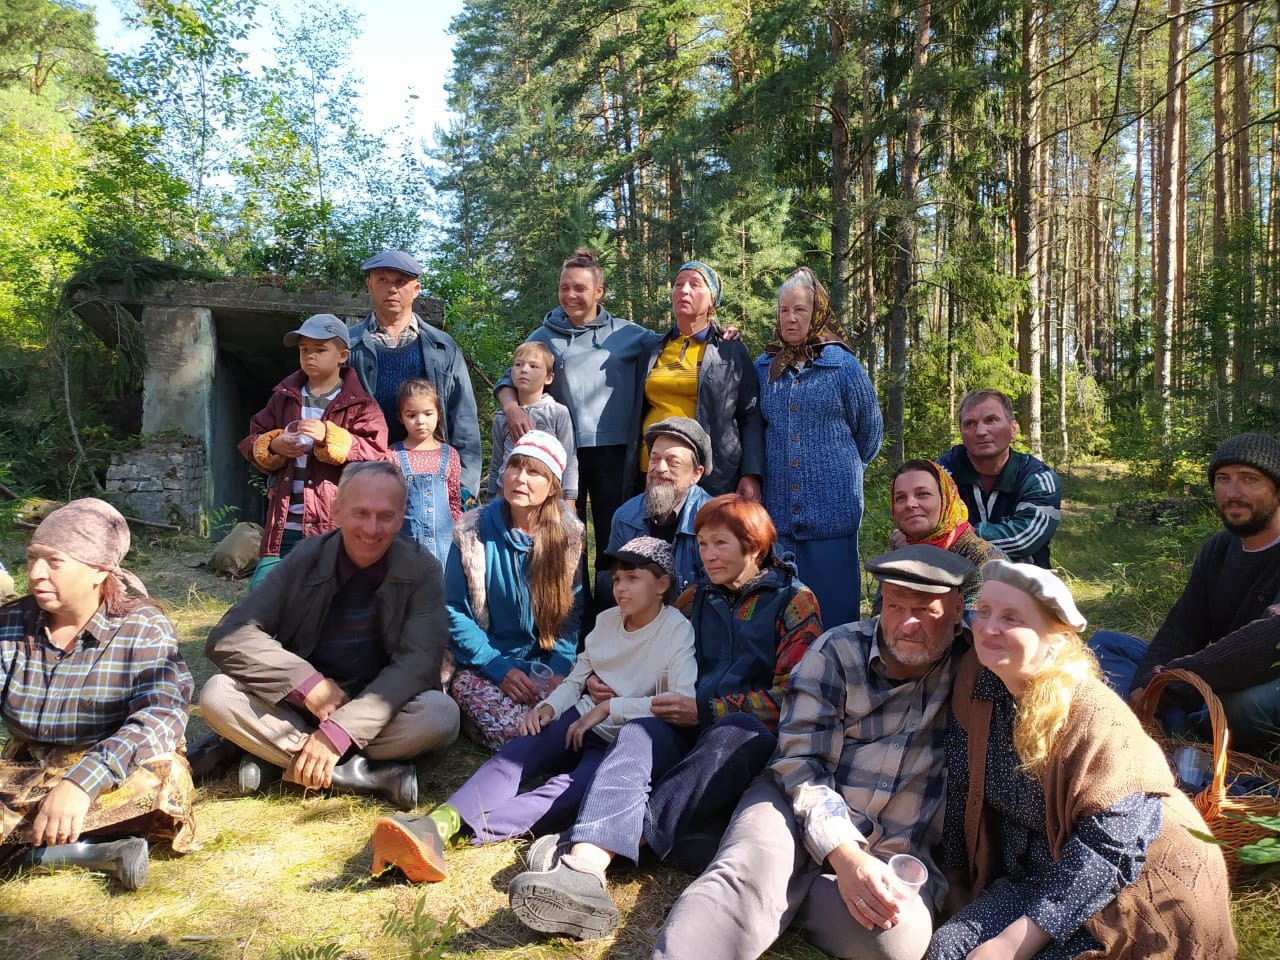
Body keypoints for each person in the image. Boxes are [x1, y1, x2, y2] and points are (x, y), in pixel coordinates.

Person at [508, 494, 823, 941]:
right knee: (637, 733)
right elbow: (649, 649)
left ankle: (605, 842)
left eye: (721, 544)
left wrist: (709, 709)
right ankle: (585, 869)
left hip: (748, 741)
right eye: (704, 544)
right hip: (682, 724)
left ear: (753, 547)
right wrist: (605, 683)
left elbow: (793, 697)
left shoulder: (795, 601)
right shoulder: (693, 597)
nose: (708, 555)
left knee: (735, 731)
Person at [650, 545, 976, 960]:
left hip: (895, 844)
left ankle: (770, 882)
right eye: (895, 606)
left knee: (898, 941)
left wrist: (861, 868)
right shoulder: (838, 652)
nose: (907, 624)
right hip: (796, 804)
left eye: (925, 610)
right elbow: (802, 763)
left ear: (956, 610)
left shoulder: (975, 661)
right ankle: (747, 878)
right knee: (742, 877)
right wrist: (845, 856)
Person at [929, 560, 1236, 960]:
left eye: (1012, 617)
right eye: (983, 611)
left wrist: (1013, 943)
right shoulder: (980, 685)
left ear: (1054, 640)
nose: (988, 627)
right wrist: (955, 879)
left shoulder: (1093, 714)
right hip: (1041, 872)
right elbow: (961, 782)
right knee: (946, 949)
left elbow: (1110, 849)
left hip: (1132, 884)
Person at [369, 537, 695, 883]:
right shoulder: (607, 621)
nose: (621, 589)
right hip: (578, 718)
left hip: (620, 740)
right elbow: (576, 678)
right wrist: (548, 708)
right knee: (517, 754)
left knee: (569, 791)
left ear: (661, 584)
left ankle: (459, 833)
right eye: (616, 579)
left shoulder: (676, 631)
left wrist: (612, 708)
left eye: (633, 579)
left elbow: (678, 701)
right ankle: (436, 822)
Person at [200, 462, 460, 812]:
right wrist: (308, 685)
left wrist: (338, 733)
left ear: (401, 518)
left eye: (385, 516)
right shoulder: (305, 558)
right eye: (360, 513)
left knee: (442, 716)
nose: (371, 528)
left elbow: (415, 666)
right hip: (299, 706)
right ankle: (359, 775)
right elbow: (229, 635)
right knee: (217, 694)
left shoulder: (422, 568)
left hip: (379, 709)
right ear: (337, 511)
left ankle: (275, 759)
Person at [0, 499, 195, 891]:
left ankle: (34, 841)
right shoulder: (10, 624)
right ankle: (82, 849)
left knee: (162, 778)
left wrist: (82, 783)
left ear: (98, 571)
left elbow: (161, 715)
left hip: (114, 768)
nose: (36, 573)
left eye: (54, 562)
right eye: (32, 558)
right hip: (27, 768)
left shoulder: (142, 627)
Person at [495, 251, 661, 618]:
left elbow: (674, 343)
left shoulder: (628, 334)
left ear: (599, 291)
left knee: (612, 535)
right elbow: (511, 377)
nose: (571, 295)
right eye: (564, 287)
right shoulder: (544, 335)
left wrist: (719, 331)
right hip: (558, 453)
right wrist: (511, 408)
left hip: (614, 452)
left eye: (580, 288)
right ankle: (570, 619)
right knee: (563, 536)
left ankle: (615, 617)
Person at [1092, 432, 1280, 753]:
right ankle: (1168, 728)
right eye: (1223, 479)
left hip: (1261, 681)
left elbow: (1266, 641)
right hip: (1212, 679)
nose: (1233, 493)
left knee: (1245, 704)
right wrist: (1149, 684)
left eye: (1250, 479)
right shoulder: (1220, 549)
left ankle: (1178, 728)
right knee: (1104, 646)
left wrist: (1172, 685)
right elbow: (1182, 628)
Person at [756, 267, 882, 625]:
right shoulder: (765, 366)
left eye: (800, 309)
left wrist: (840, 471)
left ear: (818, 314)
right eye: (784, 310)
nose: (791, 318)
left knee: (834, 620)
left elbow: (869, 434)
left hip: (832, 519)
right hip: (779, 521)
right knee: (786, 622)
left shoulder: (842, 366)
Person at [447, 431, 584, 751]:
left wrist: (560, 671)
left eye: (533, 471)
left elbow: (570, 615)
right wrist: (499, 669)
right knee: (518, 733)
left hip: (543, 667)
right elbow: (453, 611)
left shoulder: (569, 537)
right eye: (514, 467)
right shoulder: (471, 532)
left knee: (570, 721)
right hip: (484, 665)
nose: (519, 478)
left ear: (552, 486)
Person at [240, 313, 388, 588]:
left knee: (327, 606)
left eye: (320, 350)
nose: (310, 356)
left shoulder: (360, 405)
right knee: (262, 598)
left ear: (342, 355)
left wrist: (331, 437)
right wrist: (273, 444)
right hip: (284, 526)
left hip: (335, 528)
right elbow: (252, 440)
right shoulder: (283, 397)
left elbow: (378, 458)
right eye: (304, 349)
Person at [349, 250, 482, 498]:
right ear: (369, 285)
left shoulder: (442, 347)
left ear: (416, 288)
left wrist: (465, 487)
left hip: (431, 481)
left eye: (400, 282)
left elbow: (463, 417)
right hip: (364, 476)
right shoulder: (348, 345)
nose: (392, 289)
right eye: (383, 280)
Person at [628, 261, 764, 498]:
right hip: (651, 470)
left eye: (694, 284)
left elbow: (750, 414)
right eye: (678, 285)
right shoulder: (651, 348)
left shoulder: (730, 350)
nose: (684, 290)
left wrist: (751, 473)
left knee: (702, 534)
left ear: (712, 298)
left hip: (711, 474)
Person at [937, 389, 1061, 567]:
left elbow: (1023, 539)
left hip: (1024, 581)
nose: (980, 431)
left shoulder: (1038, 478)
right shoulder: (942, 473)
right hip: (953, 579)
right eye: (970, 423)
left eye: (991, 420)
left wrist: (952, 537)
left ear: (1013, 429)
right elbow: (922, 522)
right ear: (962, 433)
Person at [597, 417, 713, 605]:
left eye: (672, 462)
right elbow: (608, 581)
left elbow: (719, 594)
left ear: (696, 474)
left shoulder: (713, 520)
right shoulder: (625, 516)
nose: (659, 468)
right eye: (654, 458)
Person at [877, 459, 1006, 612]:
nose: (910, 504)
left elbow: (975, 628)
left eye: (922, 494)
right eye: (900, 498)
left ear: (946, 499)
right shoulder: (899, 557)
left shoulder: (982, 559)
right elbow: (879, 619)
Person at [488, 341, 578, 506]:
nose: (524, 369)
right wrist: (491, 501)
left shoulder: (557, 412)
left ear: (549, 377)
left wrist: (569, 500)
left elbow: (570, 461)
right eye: (518, 364)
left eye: (533, 366)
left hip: (547, 501)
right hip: (507, 499)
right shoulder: (502, 418)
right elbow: (496, 464)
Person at [389, 378, 464, 571]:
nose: (420, 421)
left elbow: (454, 502)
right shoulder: (392, 455)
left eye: (428, 413)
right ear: (401, 417)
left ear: (438, 414)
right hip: (406, 551)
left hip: (446, 551)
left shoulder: (450, 455)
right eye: (411, 415)